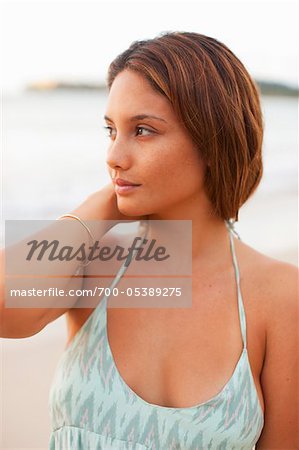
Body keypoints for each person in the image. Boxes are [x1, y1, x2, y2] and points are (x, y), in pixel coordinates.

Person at [1, 31, 298, 449]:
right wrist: (103, 205)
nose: (113, 155)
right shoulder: (94, 263)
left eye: (142, 130)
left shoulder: (281, 296)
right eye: (111, 131)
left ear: (215, 139)